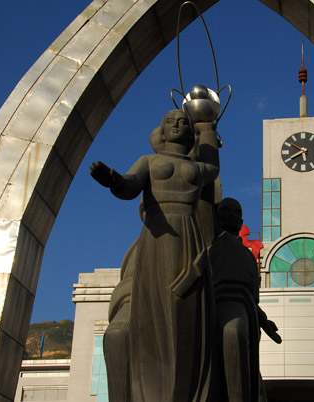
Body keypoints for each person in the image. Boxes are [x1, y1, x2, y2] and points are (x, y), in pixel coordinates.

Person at [91, 110, 220, 402]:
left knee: (187, 310)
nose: (176, 124)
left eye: (183, 122)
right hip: (156, 236)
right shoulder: (149, 162)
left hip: (188, 234)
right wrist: (112, 179)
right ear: (160, 132)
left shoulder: (197, 167)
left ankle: (190, 391)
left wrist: (208, 127)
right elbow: (128, 185)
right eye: (170, 121)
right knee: (154, 311)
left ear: (190, 134)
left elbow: (213, 166)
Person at [209, 198, 281, 402]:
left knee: (248, 367)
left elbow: (251, 297)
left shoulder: (249, 256)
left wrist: (263, 320)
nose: (231, 215)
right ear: (216, 217)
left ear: (241, 222)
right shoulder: (210, 244)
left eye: (235, 212)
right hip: (220, 306)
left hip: (247, 311)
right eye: (225, 211)